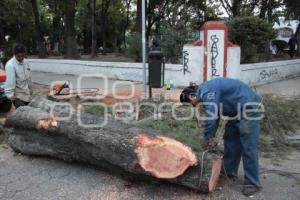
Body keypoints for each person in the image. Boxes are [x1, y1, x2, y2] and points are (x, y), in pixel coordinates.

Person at [180, 78, 262, 197]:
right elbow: (216, 115)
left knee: (248, 145)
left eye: (191, 104)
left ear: (192, 97)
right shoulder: (206, 91)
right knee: (230, 138)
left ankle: (253, 183)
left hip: (248, 107)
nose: (194, 106)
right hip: (236, 111)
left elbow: (212, 116)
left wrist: (207, 137)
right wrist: (211, 135)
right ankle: (229, 171)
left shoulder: (207, 92)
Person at [4, 44, 32, 108]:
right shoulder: (10, 65)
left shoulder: (26, 62)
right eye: (18, 56)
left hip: (27, 95)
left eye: (22, 56)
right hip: (18, 98)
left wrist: (31, 91)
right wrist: (10, 96)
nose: (21, 58)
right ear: (14, 54)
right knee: (23, 115)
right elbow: (10, 82)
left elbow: (29, 78)